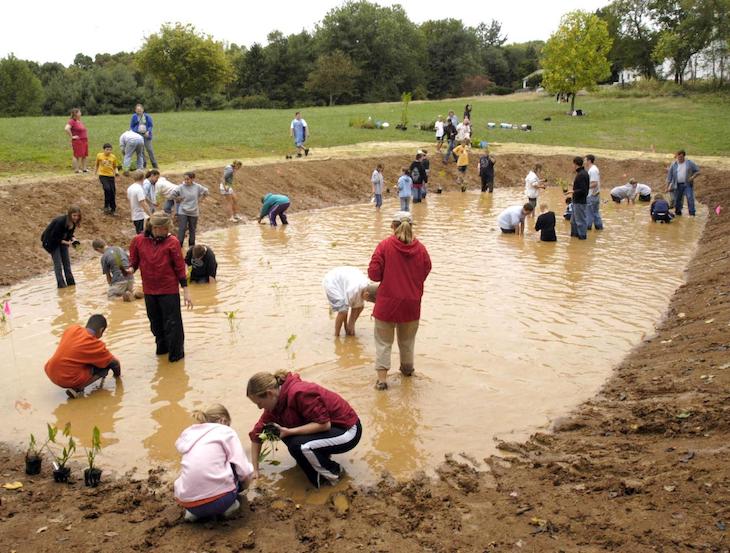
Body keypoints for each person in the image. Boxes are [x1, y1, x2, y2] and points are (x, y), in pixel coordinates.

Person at [247, 371, 362, 488]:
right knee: (286, 436)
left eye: (259, 403)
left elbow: (324, 424)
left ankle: (335, 473)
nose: (259, 407)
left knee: (299, 446)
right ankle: (319, 467)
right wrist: (255, 469)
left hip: (348, 430)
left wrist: (289, 431)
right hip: (329, 429)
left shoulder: (299, 392)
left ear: (269, 394)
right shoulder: (274, 406)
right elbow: (257, 435)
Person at [368, 211, 431, 390]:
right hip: (411, 305)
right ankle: (407, 373)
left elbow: (373, 273)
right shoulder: (421, 249)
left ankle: (381, 381)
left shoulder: (384, 246)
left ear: (393, 226)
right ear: (411, 227)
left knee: (383, 343)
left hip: (387, 305)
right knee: (407, 342)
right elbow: (426, 269)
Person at [129, 211, 193, 363]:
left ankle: (176, 358)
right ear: (154, 228)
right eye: (164, 229)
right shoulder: (138, 241)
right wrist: (128, 270)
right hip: (150, 290)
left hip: (169, 290)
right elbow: (134, 263)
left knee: (173, 325)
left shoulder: (172, 242)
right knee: (155, 323)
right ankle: (162, 352)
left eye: (167, 228)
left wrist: (186, 290)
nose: (167, 231)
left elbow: (179, 267)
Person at [175, 404, 253, 522]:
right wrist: (246, 485)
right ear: (223, 420)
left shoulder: (189, 435)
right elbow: (245, 470)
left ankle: (194, 514)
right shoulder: (225, 431)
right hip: (220, 501)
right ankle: (230, 507)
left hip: (189, 503)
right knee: (235, 467)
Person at [44, 314, 121, 399]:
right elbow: (114, 363)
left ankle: (77, 383)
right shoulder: (95, 344)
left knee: (85, 360)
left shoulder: (72, 329)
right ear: (101, 330)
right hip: (66, 378)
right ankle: (77, 388)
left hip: (50, 370)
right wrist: (118, 378)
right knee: (105, 367)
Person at [322, 267, 378, 336]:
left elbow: (358, 306)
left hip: (344, 278)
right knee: (343, 311)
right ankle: (336, 335)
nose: (367, 301)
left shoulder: (366, 287)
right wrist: (346, 326)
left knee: (361, 306)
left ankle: (348, 327)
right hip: (332, 282)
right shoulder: (353, 291)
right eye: (368, 300)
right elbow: (345, 310)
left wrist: (351, 324)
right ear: (366, 295)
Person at [42, 206, 81, 288]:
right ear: (70, 215)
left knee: (67, 263)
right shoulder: (60, 221)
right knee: (58, 264)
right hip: (50, 242)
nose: (76, 218)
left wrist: (74, 240)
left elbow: (69, 234)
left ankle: (71, 284)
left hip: (61, 240)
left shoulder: (73, 223)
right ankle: (61, 285)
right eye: (74, 215)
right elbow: (54, 237)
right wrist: (67, 242)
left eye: (78, 216)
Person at [171, 172, 209, 248]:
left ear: (192, 179)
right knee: (182, 229)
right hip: (183, 211)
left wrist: (200, 200)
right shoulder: (181, 187)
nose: (186, 181)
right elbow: (172, 194)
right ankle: (179, 247)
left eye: (188, 179)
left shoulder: (197, 187)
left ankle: (191, 248)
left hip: (194, 211)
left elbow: (206, 192)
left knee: (192, 230)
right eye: (185, 179)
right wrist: (177, 199)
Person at [666, 149, 700, 216]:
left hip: (687, 184)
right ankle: (678, 213)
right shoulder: (674, 164)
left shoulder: (689, 163)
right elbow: (669, 176)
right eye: (678, 157)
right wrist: (667, 187)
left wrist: (692, 177)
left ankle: (692, 214)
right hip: (677, 185)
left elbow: (698, 171)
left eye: (681, 157)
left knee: (690, 198)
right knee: (677, 200)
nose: (679, 158)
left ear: (684, 156)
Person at [130, 103, 158, 169]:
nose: (139, 111)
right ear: (135, 110)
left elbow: (151, 125)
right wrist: (136, 131)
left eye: (140, 109)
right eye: (137, 110)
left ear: (143, 109)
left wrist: (148, 131)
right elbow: (132, 126)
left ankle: (154, 164)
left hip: (147, 135)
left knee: (149, 149)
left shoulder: (147, 116)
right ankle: (143, 164)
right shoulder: (134, 117)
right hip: (138, 135)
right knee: (141, 150)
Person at [567, 157, 589, 240]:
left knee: (580, 222)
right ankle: (574, 238)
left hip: (580, 201)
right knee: (573, 221)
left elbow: (583, 190)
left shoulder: (582, 174)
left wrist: (572, 192)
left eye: (573, 164)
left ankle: (582, 238)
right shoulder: (581, 173)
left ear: (575, 164)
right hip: (576, 201)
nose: (572, 166)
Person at [94, 143, 119, 215]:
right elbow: (96, 165)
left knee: (112, 192)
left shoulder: (113, 157)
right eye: (107, 149)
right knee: (107, 189)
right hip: (102, 175)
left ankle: (113, 209)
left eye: (110, 150)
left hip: (111, 176)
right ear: (104, 149)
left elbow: (115, 166)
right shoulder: (99, 155)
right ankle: (106, 206)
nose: (109, 151)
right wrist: (95, 173)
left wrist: (116, 172)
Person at [64, 108, 88, 173]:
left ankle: (84, 169)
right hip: (78, 141)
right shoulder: (72, 121)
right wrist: (72, 136)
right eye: (79, 112)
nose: (81, 113)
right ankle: (76, 170)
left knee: (84, 155)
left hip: (84, 140)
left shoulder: (79, 121)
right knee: (77, 155)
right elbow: (66, 128)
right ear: (76, 114)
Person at [584, 154, 603, 230]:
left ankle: (587, 230)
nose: (584, 162)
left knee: (589, 213)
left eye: (585, 160)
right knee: (595, 213)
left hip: (592, 195)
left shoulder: (593, 170)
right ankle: (599, 228)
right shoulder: (593, 169)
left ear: (589, 161)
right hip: (595, 195)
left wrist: (584, 187)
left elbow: (594, 183)